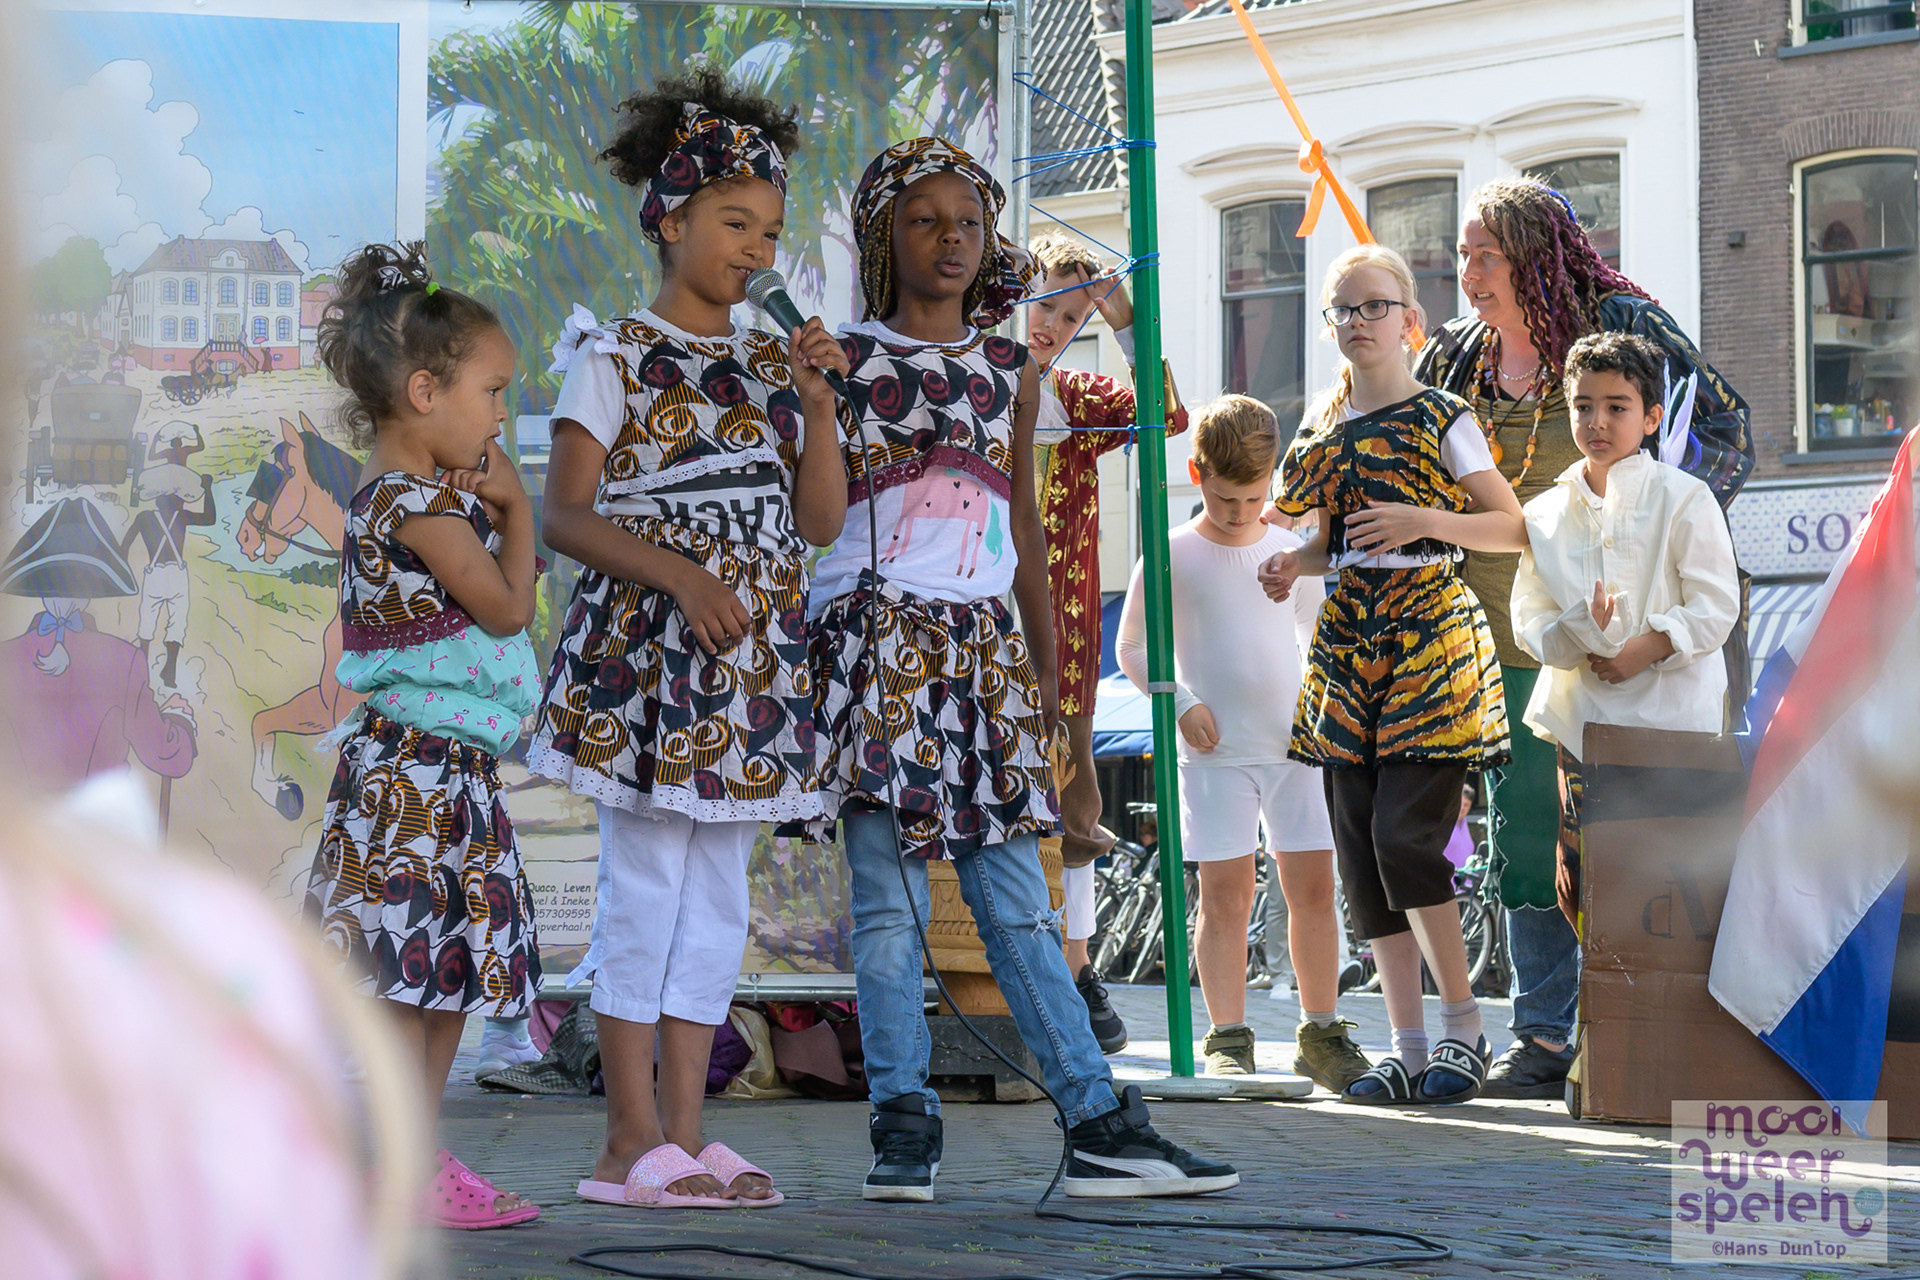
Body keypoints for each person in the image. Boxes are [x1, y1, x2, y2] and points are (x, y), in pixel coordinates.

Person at [809, 136, 1237, 1202]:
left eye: (968, 222)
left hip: (986, 648)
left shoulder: (1012, 370)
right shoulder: (844, 362)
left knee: (1016, 899)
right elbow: (812, 520)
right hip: (878, 642)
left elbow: (1028, 549)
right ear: (882, 236)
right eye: (924, 220)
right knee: (888, 899)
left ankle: (1097, 1118)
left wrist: (1058, 711)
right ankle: (902, 1119)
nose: (950, 240)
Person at [525, 67, 849, 1211]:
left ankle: (691, 1133)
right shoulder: (611, 353)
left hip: (748, 667)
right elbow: (565, 514)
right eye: (733, 223)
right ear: (669, 219)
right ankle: (626, 1138)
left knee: (718, 901)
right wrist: (683, 573)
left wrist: (817, 405)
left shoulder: (772, 368)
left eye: (769, 231)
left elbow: (815, 524)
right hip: (653, 661)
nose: (756, 249)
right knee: (645, 888)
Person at [1415, 178, 1752, 1100]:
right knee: (1532, 842)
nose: (1467, 271)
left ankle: (1664, 1033)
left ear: (1534, 257)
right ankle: (1543, 1035)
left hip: (1649, 647)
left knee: (1652, 846)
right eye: (1463, 254)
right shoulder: (1458, 352)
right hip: (1516, 633)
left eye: (1485, 254)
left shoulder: (1619, 321)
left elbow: (1725, 426)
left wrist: (1658, 536)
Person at [301, 242, 544, 1229]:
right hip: (419, 779)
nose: (500, 414)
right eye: (492, 391)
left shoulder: (411, 500)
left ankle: (407, 1154)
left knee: (437, 970)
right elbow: (507, 610)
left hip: (436, 772)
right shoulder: (414, 506)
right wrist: (519, 509)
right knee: (418, 972)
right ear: (423, 389)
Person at [1260, 244, 1526, 1106]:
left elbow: (1509, 526)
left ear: (1410, 321)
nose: (1357, 322)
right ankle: (1406, 1046)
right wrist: (1296, 566)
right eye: (1343, 309)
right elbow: (1331, 536)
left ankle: (1464, 1027)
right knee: (1361, 854)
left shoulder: (1442, 414)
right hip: (1346, 640)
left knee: (1406, 840)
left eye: (1373, 306)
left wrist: (1422, 514)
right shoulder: (1325, 433)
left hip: (1428, 635)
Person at [1115, 394, 1366, 1090]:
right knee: (1224, 895)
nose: (1239, 512)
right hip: (1214, 752)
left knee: (1316, 889)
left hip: (1298, 747)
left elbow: (1322, 641)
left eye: (1254, 498)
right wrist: (1180, 703)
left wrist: (1329, 709)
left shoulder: (1292, 552)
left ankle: (1322, 1029)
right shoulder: (1170, 554)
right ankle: (1228, 1033)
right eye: (1226, 498)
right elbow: (1133, 646)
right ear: (1197, 475)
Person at [1510, 332, 1739, 927]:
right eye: (1584, 405)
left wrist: (1647, 646)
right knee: (1582, 886)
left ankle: (1664, 1019)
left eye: (1617, 406)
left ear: (1652, 417)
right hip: (1584, 728)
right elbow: (1529, 622)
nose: (1598, 421)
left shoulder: (1685, 497)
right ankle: (1599, 1019)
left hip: (1676, 727)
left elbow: (1716, 604)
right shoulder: (1544, 514)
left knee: (1679, 890)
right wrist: (1577, 633)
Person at [1025, 228, 1190, 1055]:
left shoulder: (1080, 402)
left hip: (1066, 647)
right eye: (1039, 307)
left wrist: (1127, 320)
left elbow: (1167, 415)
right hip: (976, 638)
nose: (1049, 325)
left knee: (1075, 803)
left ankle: (1077, 966)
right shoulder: (972, 387)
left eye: (1067, 313)